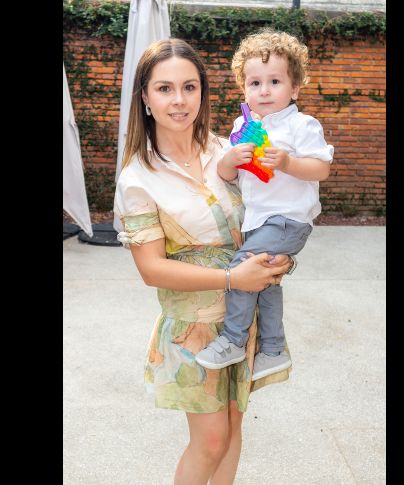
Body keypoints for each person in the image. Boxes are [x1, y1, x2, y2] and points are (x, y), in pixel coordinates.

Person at [113, 38, 296, 484]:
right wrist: (235, 276)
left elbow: (273, 211)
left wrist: (281, 257)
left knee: (234, 432)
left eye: (189, 87)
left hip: (241, 318)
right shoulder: (138, 178)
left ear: (203, 92)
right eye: (165, 88)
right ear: (145, 96)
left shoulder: (229, 148)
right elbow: (151, 268)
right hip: (193, 328)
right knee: (211, 439)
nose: (179, 100)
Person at [195, 29, 334, 381]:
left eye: (275, 81)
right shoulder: (243, 125)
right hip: (257, 221)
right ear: (244, 90)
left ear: (295, 89)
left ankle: (233, 339)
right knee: (266, 281)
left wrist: (288, 163)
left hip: (287, 220)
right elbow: (226, 175)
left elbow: (322, 168)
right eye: (255, 83)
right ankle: (273, 349)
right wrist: (231, 159)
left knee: (244, 268)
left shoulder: (302, 125)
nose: (265, 90)